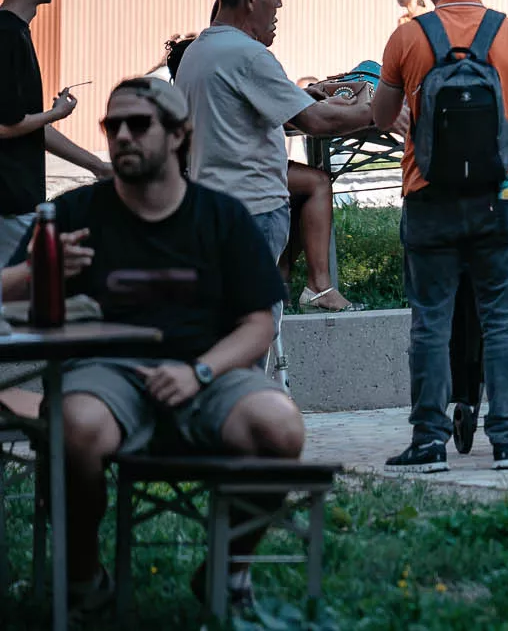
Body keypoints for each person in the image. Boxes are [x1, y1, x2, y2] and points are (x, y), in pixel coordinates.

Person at [2, 78, 304, 614]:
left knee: (280, 426)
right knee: (77, 426)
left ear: (178, 134)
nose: (121, 136)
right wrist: (34, 271)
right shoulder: (73, 214)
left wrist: (201, 373)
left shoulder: (221, 216)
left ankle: (226, 572)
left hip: (207, 373)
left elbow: (260, 324)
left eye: (138, 124)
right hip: (106, 373)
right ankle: (85, 577)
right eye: (111, 126)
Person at [375, 0, 508, 472]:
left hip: (428, 197)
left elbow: (383, 116)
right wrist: (505, 124)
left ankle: (428, 443)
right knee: (500, 320)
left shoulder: (406, 40)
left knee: (430, 321)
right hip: (496, 198)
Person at [175, 0, 371, 310]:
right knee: (254, 334)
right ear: (252, 0)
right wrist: (380, 111)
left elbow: (246, 108)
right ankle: (318, 287)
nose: (279, 5)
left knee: (230, 323)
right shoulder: (247, 55)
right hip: (254, 209)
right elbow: (318, 123)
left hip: (213, 207)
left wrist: (300, 97)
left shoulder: (199, 51)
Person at [1, 0, 111, 257]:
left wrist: (97, 166)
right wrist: (56, 112)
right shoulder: (7, 37)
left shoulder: (15, 33)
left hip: (18, 204)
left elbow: (29, 126)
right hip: (9, 205)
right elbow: (6, 126)